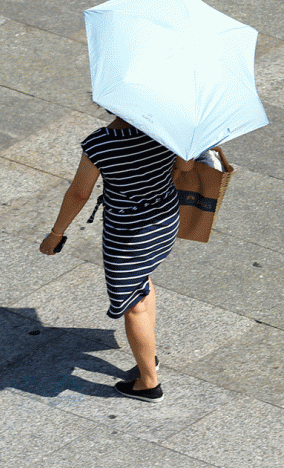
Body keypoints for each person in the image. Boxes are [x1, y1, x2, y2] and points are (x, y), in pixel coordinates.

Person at [40, 115, 193, 402]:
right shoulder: (167, 127)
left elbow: (79, 193)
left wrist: (56, 233)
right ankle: (149, 354)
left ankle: (148, 383)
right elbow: (185, 165)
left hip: (128, 235)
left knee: (132, 305)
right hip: (166, 221)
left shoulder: (100, 143)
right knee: (143, 282)